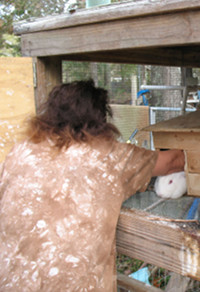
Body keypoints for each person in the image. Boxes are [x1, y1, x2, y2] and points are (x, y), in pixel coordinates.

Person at [0, 79, 185, 291]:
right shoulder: (109, 156)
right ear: (99, 117)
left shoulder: (21, 152)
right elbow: (172, 162)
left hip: (12, 281)